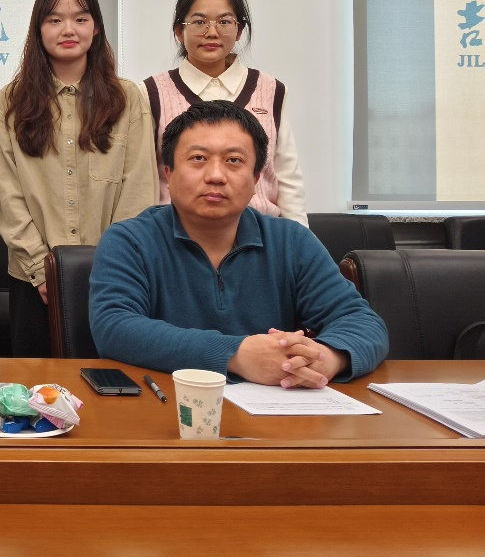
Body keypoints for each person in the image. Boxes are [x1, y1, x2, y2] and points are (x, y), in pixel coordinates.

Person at [89, 100, 387, 385]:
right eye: (198, 158)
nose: (216, 176)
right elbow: (114, 327)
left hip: (275, 410)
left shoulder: (291, 241)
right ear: (169, 174)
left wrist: (326, 358)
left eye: (234, 161)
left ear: (256, 179)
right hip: (168, 406)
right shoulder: (129, 241)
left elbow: (361, 321)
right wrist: (235, 355)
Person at [0, 0, 157, 357]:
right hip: (32, 283)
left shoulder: (127, 98)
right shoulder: (12, 101)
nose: (68, 29)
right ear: (38, 29)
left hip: (113, 283)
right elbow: (9, 194)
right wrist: (43, 271)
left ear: (96, 28)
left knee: (111, 385)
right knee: (36, 389)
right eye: (54, 20)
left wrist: (111, 268)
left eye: (81, 19)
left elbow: (138, 191)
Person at [141, 0, 307, 225]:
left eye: (224, 22)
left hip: (261, 232)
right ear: (179, 31)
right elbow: (144, 179)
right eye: (199, 22)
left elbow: (287, 177)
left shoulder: (271, 90)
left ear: (239, 31)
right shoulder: (151, 92)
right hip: (177, 233)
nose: (212, 32)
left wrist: (299, 238)